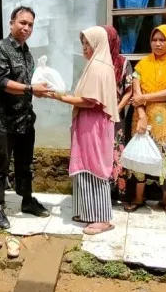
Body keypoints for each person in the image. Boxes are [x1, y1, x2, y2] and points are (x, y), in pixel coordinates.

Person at [0, 6, 53, 228]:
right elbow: (2, 82)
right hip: (3, 122)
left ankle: (26, 200)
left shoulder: (27, 53)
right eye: (22, 22)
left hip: (25, 120)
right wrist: (31, 89)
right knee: (0, 167)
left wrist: (40, 90)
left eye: (30, 24)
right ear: (11, 23)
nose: (26, 28)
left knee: (25, 165)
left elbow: (29, 85)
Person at [49, 26, 119, 234]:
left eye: (88, 43)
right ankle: (88, 212)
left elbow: (90, 101)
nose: (84, 48)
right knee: (84, 164)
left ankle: (103, 218)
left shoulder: (98, 66)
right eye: (83, 43)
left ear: (98, 44)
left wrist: (60, 97)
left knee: (95, 166)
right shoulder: (96, 65)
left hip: (94, 125)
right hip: (89, 124)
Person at [127, 25, 166, 215]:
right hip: (141, 117)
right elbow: (136, 94)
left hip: (165, 120)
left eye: (162, 40)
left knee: (164, 157)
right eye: (154, 40)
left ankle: (165, 199)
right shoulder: (142, 64)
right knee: (139, 156)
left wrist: (146, 98)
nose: (158, 43)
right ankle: (139, 196)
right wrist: (142, 115)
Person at [103, 26, 133, 201]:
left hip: (116, 116)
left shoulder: (122, 63)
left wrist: (116, 110)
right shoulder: (96, 61)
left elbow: (128, 91)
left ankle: (116, 191)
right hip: (98, 116)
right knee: (102, 152)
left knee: (116, 151)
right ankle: (102, 191)